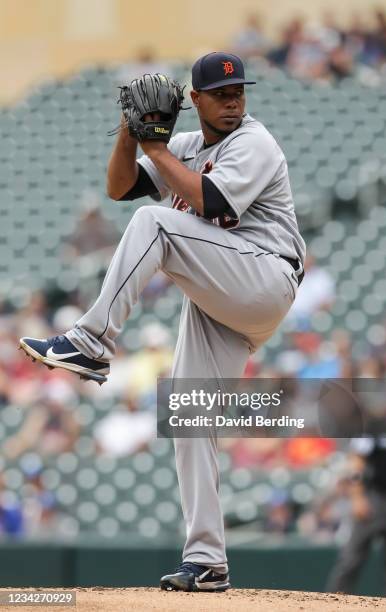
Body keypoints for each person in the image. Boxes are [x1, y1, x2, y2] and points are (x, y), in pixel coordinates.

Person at [19, 52, 306, 592]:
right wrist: (132, 133)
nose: (233, 100)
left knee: (157, 221)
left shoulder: (255, 142)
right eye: (221, 94)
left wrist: (154, 146)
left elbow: (211, 200)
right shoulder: (187, 145)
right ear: (194, 101)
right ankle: (208, 560)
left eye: (238, 91)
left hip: (265, 276)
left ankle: (92, 340)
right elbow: (120, 187)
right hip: (226, 291)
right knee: (188, 411)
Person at [326, 435, 386, 597]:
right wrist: (357, 496)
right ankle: (333, 602)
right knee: (351, 559)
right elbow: (356, 461)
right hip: (373, 497)